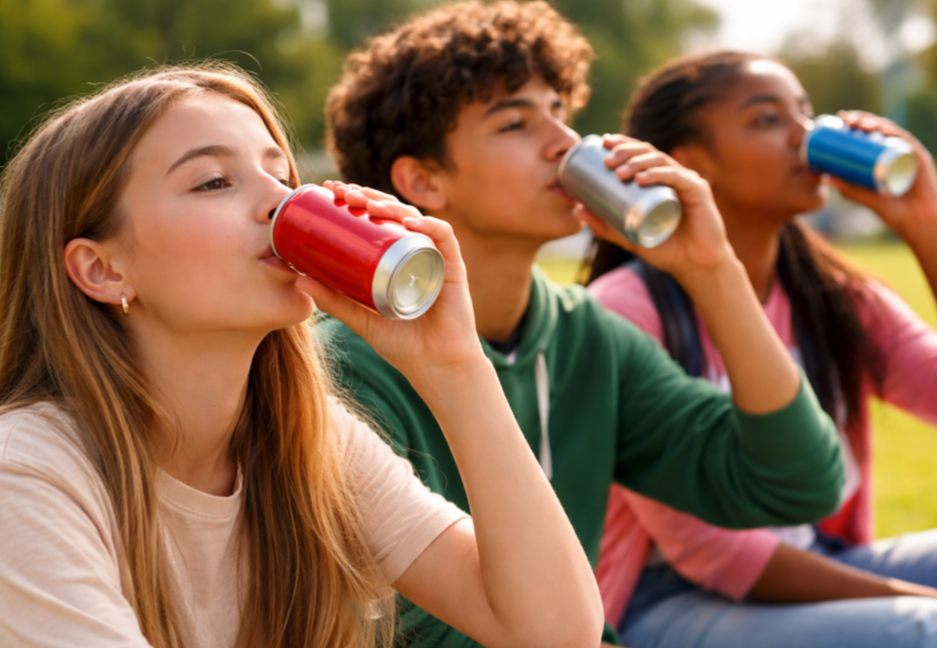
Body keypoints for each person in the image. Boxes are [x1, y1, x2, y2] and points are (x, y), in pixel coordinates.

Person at [0, 63, 607, 648]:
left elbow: (550, 630)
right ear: (102, 269)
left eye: (281, 174)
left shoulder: (313, 441)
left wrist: (456, 366)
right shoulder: (26, 471)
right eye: (214, 181)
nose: (283, 202)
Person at [320, 3, 846, 647]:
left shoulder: (588, 336)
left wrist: (712, 269)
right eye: (515, 123)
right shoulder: (345, 365)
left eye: (561, 112)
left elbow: (797, 483)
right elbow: (424, 629)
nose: (565, 143)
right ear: (422, 180)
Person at [585, 50, 937, 647]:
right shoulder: (627, 311)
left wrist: (931, 227)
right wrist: (921, 600)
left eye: (805, 113)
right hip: (661, 603)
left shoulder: (830, 298)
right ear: (689, 165)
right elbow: (712, 551)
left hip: (815, 562)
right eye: (768, 120)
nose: (805, 137)